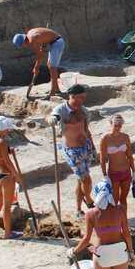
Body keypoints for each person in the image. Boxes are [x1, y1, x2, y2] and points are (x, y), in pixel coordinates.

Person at [52, 84, 96, 214]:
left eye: (83, 98)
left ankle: (78, 209)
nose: (82, 101)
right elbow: (54, 116)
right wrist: (52, 119)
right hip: (72, 151)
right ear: (71, 96)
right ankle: (89, 201)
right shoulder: (61, 110)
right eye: (80, 98)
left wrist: (93, 147)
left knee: (80, 180)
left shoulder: (84, 111)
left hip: (85, 148)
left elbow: (86, 130)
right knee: (86, 179)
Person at [0, 116, 24, 240]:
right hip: (6, 175)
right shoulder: (1, 142)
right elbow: (7, 162)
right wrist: (17, 175)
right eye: (6, 129)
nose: (8, 131)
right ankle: (8, 233)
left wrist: (7, 150)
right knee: (7, 206)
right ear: (1, 129)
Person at [13, 27, 65, 96]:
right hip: (55, 42)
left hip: (57, 43)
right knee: (50, 65)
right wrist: (43, 45)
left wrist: (36, 67)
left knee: (52, 67)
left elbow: (40, 55)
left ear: (23, 42)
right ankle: (56, 89)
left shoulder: (32, 40)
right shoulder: (30, 33)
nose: (24, 47)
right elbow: (42, 40)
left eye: (22, 45)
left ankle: (53, 91)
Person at [99, 114, 135, 206]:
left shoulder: (125, 137)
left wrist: (134, 172)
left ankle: (124, 219)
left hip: (126, 172)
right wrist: (104, 175)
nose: (118, 127)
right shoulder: (105, 139)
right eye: (116, 125)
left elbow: (129, 156)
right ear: (110, 124)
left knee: (123, 198)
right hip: (113, 173)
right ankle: (114, 220)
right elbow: (102, 159)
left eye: (120, 125)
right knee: (114, 199)